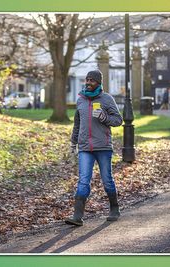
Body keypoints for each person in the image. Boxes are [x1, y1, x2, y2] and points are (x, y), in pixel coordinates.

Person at [65, 70, 123, 226]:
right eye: (87, 80)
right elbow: (77, 123)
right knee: (83, 180)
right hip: (85, 147)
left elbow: (118, 120)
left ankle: (114, 208)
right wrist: (73, 142)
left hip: (103, 146)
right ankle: (77, 216)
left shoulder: (107, 99)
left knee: (107, 180)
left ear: (99, 82)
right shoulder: (80, 100)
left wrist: (105, 118)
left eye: (92, 80)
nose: (88, 82)